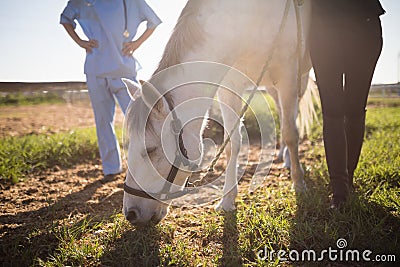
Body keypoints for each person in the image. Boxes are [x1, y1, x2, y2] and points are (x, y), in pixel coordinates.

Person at [60, 0, 161, 183]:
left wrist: (136, 43)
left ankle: (146, 164)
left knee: (139, 120)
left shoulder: (132, 2)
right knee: (103, 121)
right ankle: (111, 169)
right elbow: (65, 18)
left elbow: (153, 21)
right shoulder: (82, 1)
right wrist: (81, 42)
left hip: (124, 70)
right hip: (95, 70)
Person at [310, 0, 385, 208]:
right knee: (333, 111)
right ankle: (339, 192)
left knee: (354, 110)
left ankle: (347, 182)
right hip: (322, 31)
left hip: (364, 28)